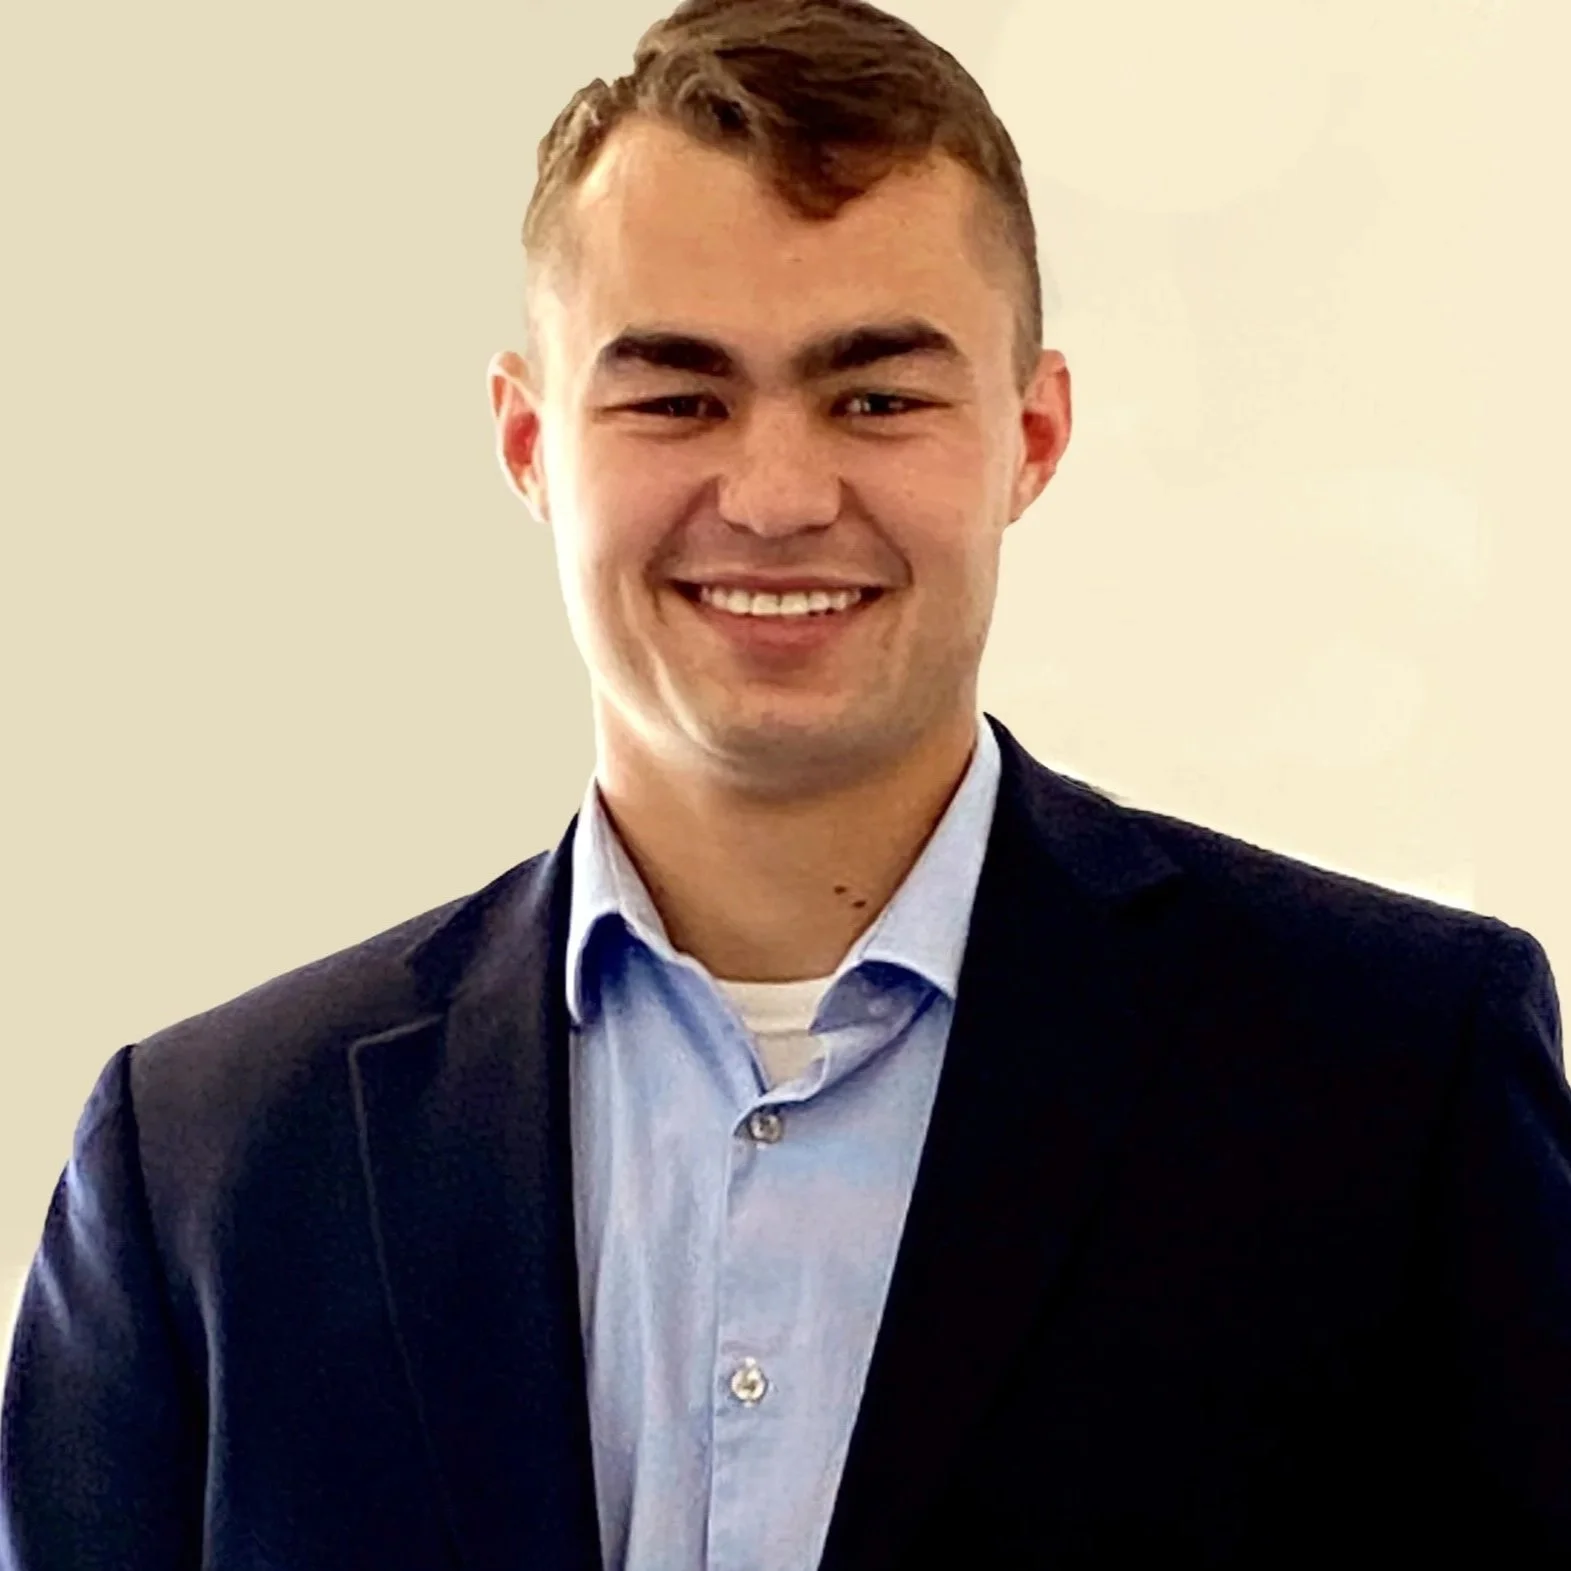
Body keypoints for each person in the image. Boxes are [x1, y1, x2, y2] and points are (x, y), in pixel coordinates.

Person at [4, 0, 1569, 1565]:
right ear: (530, 443)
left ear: (1030, 435)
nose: (773, 495)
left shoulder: (1396, 1078)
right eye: (675, 398)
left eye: (875, 398)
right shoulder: (204, 1160)